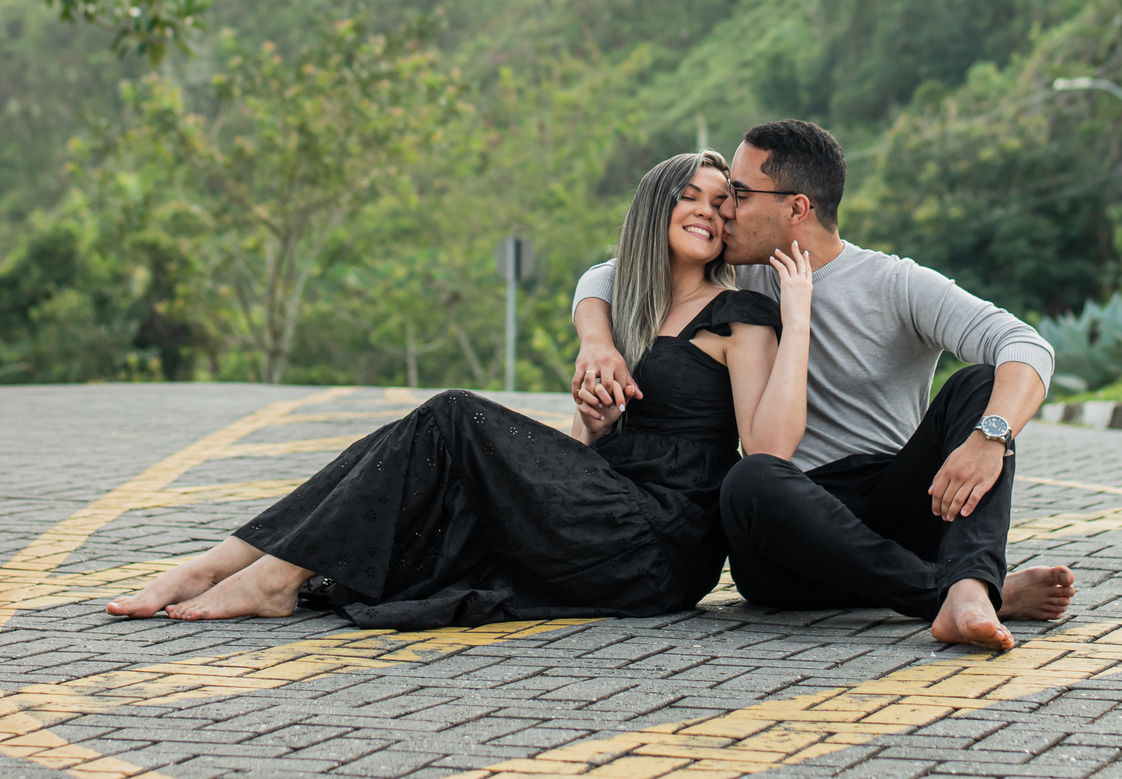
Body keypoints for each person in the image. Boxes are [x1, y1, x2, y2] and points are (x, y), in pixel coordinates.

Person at [107, 150, 813, 626]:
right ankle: (220, 564)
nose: (708, 212)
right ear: (654, 210)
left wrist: (798, 311)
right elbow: (584, 450)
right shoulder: (628, 313)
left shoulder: (740, 314)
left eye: (724, 203)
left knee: (451, 415)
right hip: (606, 515)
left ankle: (269, 577)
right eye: (689, 196)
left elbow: (768, 446)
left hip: (659, 546)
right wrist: (591, 429)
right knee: (407, 442)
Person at [571, 118, 1075, 653]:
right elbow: (609, 274)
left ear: (796, 209)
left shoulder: (897, 284)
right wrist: (596, 340)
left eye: (738, 195)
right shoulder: (741, 274)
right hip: (786, 531)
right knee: (750, 478)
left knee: (980, 385)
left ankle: (970, 586)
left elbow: (1025, 346)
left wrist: (989, 437)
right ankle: (960, 593)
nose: (724, 212)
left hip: (895, 504)